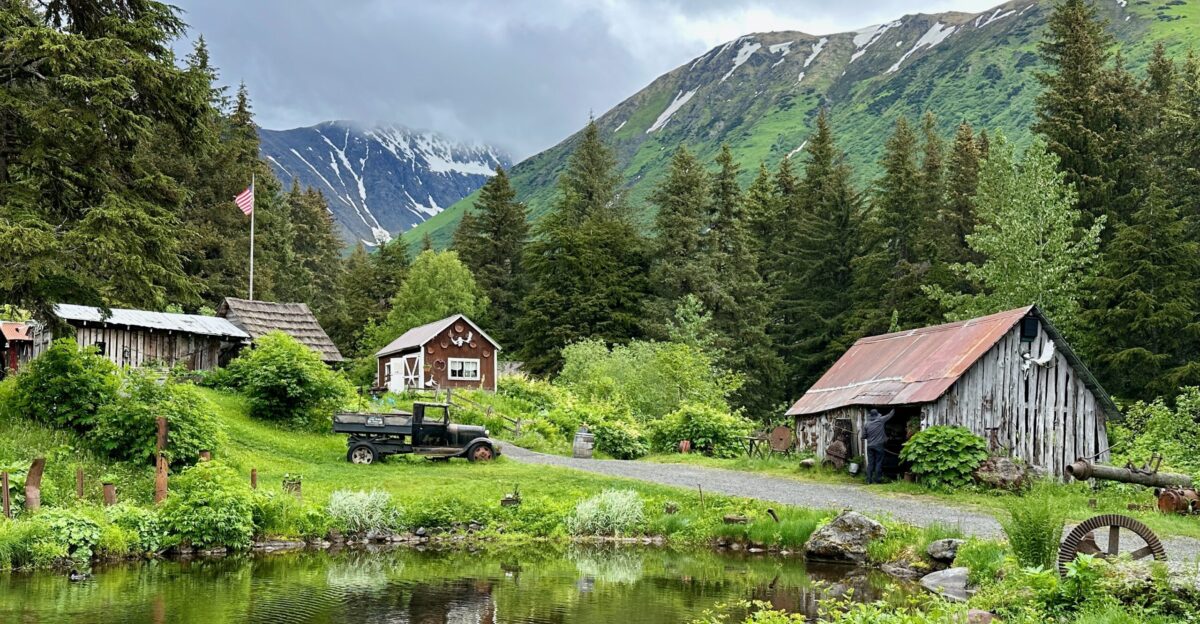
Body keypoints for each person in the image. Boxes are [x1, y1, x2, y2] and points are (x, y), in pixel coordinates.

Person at [864, 408, 896, 484]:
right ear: (877, 415)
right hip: (879, 446)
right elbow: (890, 415)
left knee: (871, 463)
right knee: (878, 462)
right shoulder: (881, 420)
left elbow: (863, 436)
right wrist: (894, 408)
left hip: (870, 446)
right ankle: (878, 480)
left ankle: (868, 480)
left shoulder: (866, 424)